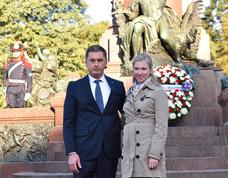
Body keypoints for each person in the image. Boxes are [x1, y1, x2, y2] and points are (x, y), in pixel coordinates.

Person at [63, 45, 126, 178]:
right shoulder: (75, 87)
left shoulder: (118, 86)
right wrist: (71, 152)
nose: (96, 64)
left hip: (109, 150)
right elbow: (68, 122)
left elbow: (128, 114)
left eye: (100, 60)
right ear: (86, 62)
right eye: (92, 60)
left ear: (105, 62)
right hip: (83, 152)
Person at [121, 53, 169, 178]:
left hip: (147, 150)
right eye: (136, 69)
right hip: (130, 151)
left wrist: (154, 154)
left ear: (150, 70)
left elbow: (162, 126)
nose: (140, 72)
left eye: (144, 69)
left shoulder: (157, 91)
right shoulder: (131, 91)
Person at [2, 42, 32, 108]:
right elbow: (5, 77)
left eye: (17, 51)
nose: (15, 53)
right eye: (14, 51)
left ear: (21, 52)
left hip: (21, 89)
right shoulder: (9, 64)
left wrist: (29, 92)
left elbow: (29, 79)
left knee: (20, 108)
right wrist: (4, 87)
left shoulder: (26, 63)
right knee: (11, 107)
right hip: (10, 89)